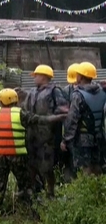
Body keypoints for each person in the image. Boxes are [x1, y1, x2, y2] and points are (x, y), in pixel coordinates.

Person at [0, 87, 56, 209]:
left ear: (0, 101)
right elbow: (37, 120)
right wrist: (56, 117)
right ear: (16, 101)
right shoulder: (19, 113)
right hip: (17, 156)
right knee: (26, 185)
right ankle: (34, 211)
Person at [23, 65, 69, 198]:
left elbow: (64, 110)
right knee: (31, 165)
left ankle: (51, 192)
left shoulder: (55, 91)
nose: (34, 78)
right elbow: (25, 111)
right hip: (32, 135)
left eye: (36, 75)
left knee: (47, 167)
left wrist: (52, 118)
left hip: (48, 136)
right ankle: (33, 192)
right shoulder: (31, 92)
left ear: (43, 76)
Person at [62, 62, 106, 176]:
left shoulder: (78, 95)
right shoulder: (102, 92)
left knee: (85, 170)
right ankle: (98, 192)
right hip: (99, 137)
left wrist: (66, 140)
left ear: (80, 76)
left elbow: (72, 120)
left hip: (83, 140)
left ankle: (87, 192)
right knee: (97, 168)